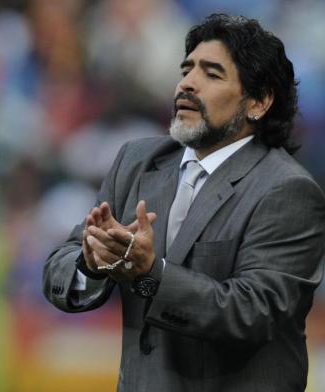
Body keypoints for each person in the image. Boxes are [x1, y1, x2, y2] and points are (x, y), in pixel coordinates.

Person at [43, 14, 325, 392]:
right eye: (187, 68)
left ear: (258, 102)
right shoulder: (137, 161)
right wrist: (92, 264)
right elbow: (61, 267)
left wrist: (150, 273)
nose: (187, 83)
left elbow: (253, 313)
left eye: (212, 74)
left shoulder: (286, 189)